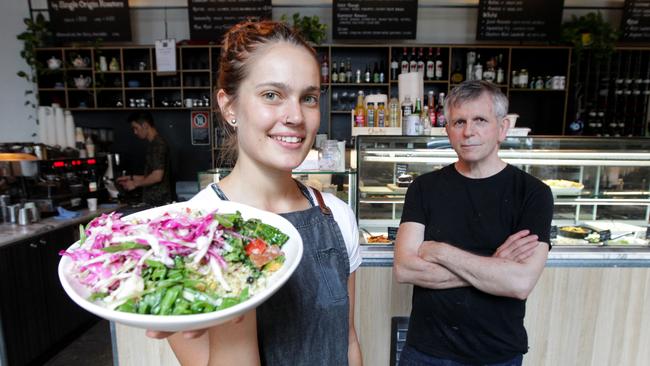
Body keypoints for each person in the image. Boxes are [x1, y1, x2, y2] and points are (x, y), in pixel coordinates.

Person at [147, 20, 363, 366]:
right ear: (229, 106)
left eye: (308, 98)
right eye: (272, 95)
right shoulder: (189, 234)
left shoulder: (336, 215)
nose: (295, 116)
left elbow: (348, 343)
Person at [394, 80, 553, 365]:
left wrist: (441, 252)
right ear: (447, 130)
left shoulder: (533, 193)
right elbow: (405, 269)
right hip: (426, 351)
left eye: (480, 120)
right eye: (459, 122)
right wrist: (494, 266)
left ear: (502, 128)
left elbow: (519, 283)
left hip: (496, 354)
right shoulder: (424, 188)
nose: (468, 132)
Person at [117, 111, 172, 207]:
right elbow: (151, 175)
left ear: (145, 125)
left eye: (136, 128)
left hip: (159, 201)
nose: (135, 132)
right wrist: (131, 178)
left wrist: (134, 184)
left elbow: (157, 176)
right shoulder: (154, 144)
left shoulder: (158, 145)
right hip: (155, 200)